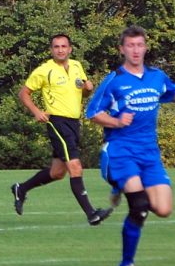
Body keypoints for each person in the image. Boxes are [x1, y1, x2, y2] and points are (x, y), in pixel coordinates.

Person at [86, 25, 175, 266]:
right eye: (130, 45)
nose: (135, 50)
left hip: (150, 154)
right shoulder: (114, 80)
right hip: (121, 151)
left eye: (139, 45)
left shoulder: (156, 76)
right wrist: (117, 122)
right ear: (122, 49)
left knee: (164, 209)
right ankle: (126, 265)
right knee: (140, 205)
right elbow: (92, 114)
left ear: (145, 47)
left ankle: (120, 188)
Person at [11, 34, 112, 225]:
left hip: (74, 122)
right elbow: (24, 92)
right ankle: (92, 214)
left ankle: (21, 188)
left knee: (58, 172)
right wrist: (36, 111)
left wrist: (88, 88)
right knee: (75, 166)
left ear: (70, 49)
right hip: (57, 122)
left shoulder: (76, 66)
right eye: (56, 47)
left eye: (63, 46)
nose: (60, 49)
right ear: (51, 50)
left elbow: (83, 91)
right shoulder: (44, 70)